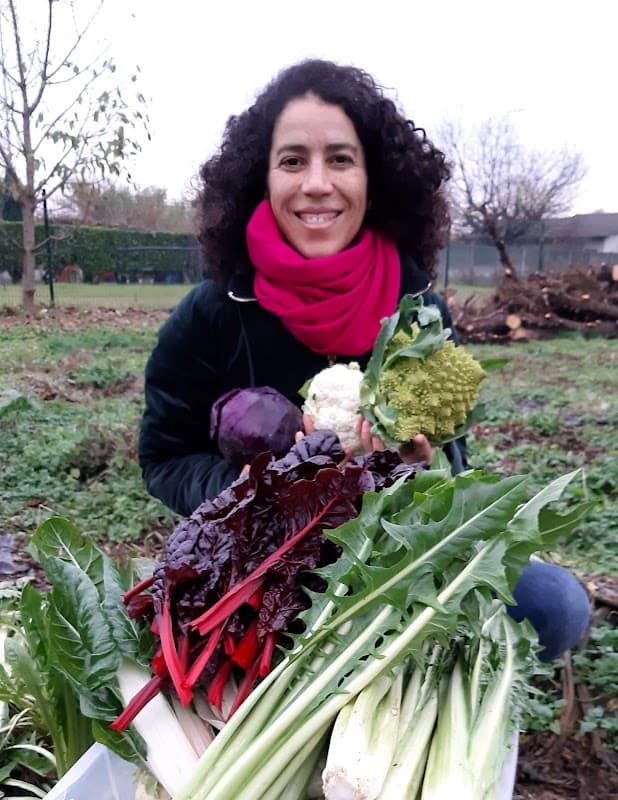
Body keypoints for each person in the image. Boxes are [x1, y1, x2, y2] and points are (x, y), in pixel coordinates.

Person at [138, 59, 589, 662]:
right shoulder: (211, 313)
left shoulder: (418, 309)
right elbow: (164, 458)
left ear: (374, 180)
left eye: (341, 159)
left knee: (554, 605)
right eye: (293, 160)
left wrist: (421, 471)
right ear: (261, 179)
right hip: (262, 554)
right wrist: (252, 490)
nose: (317, 183)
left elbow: (451, 457)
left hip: (392, 551)